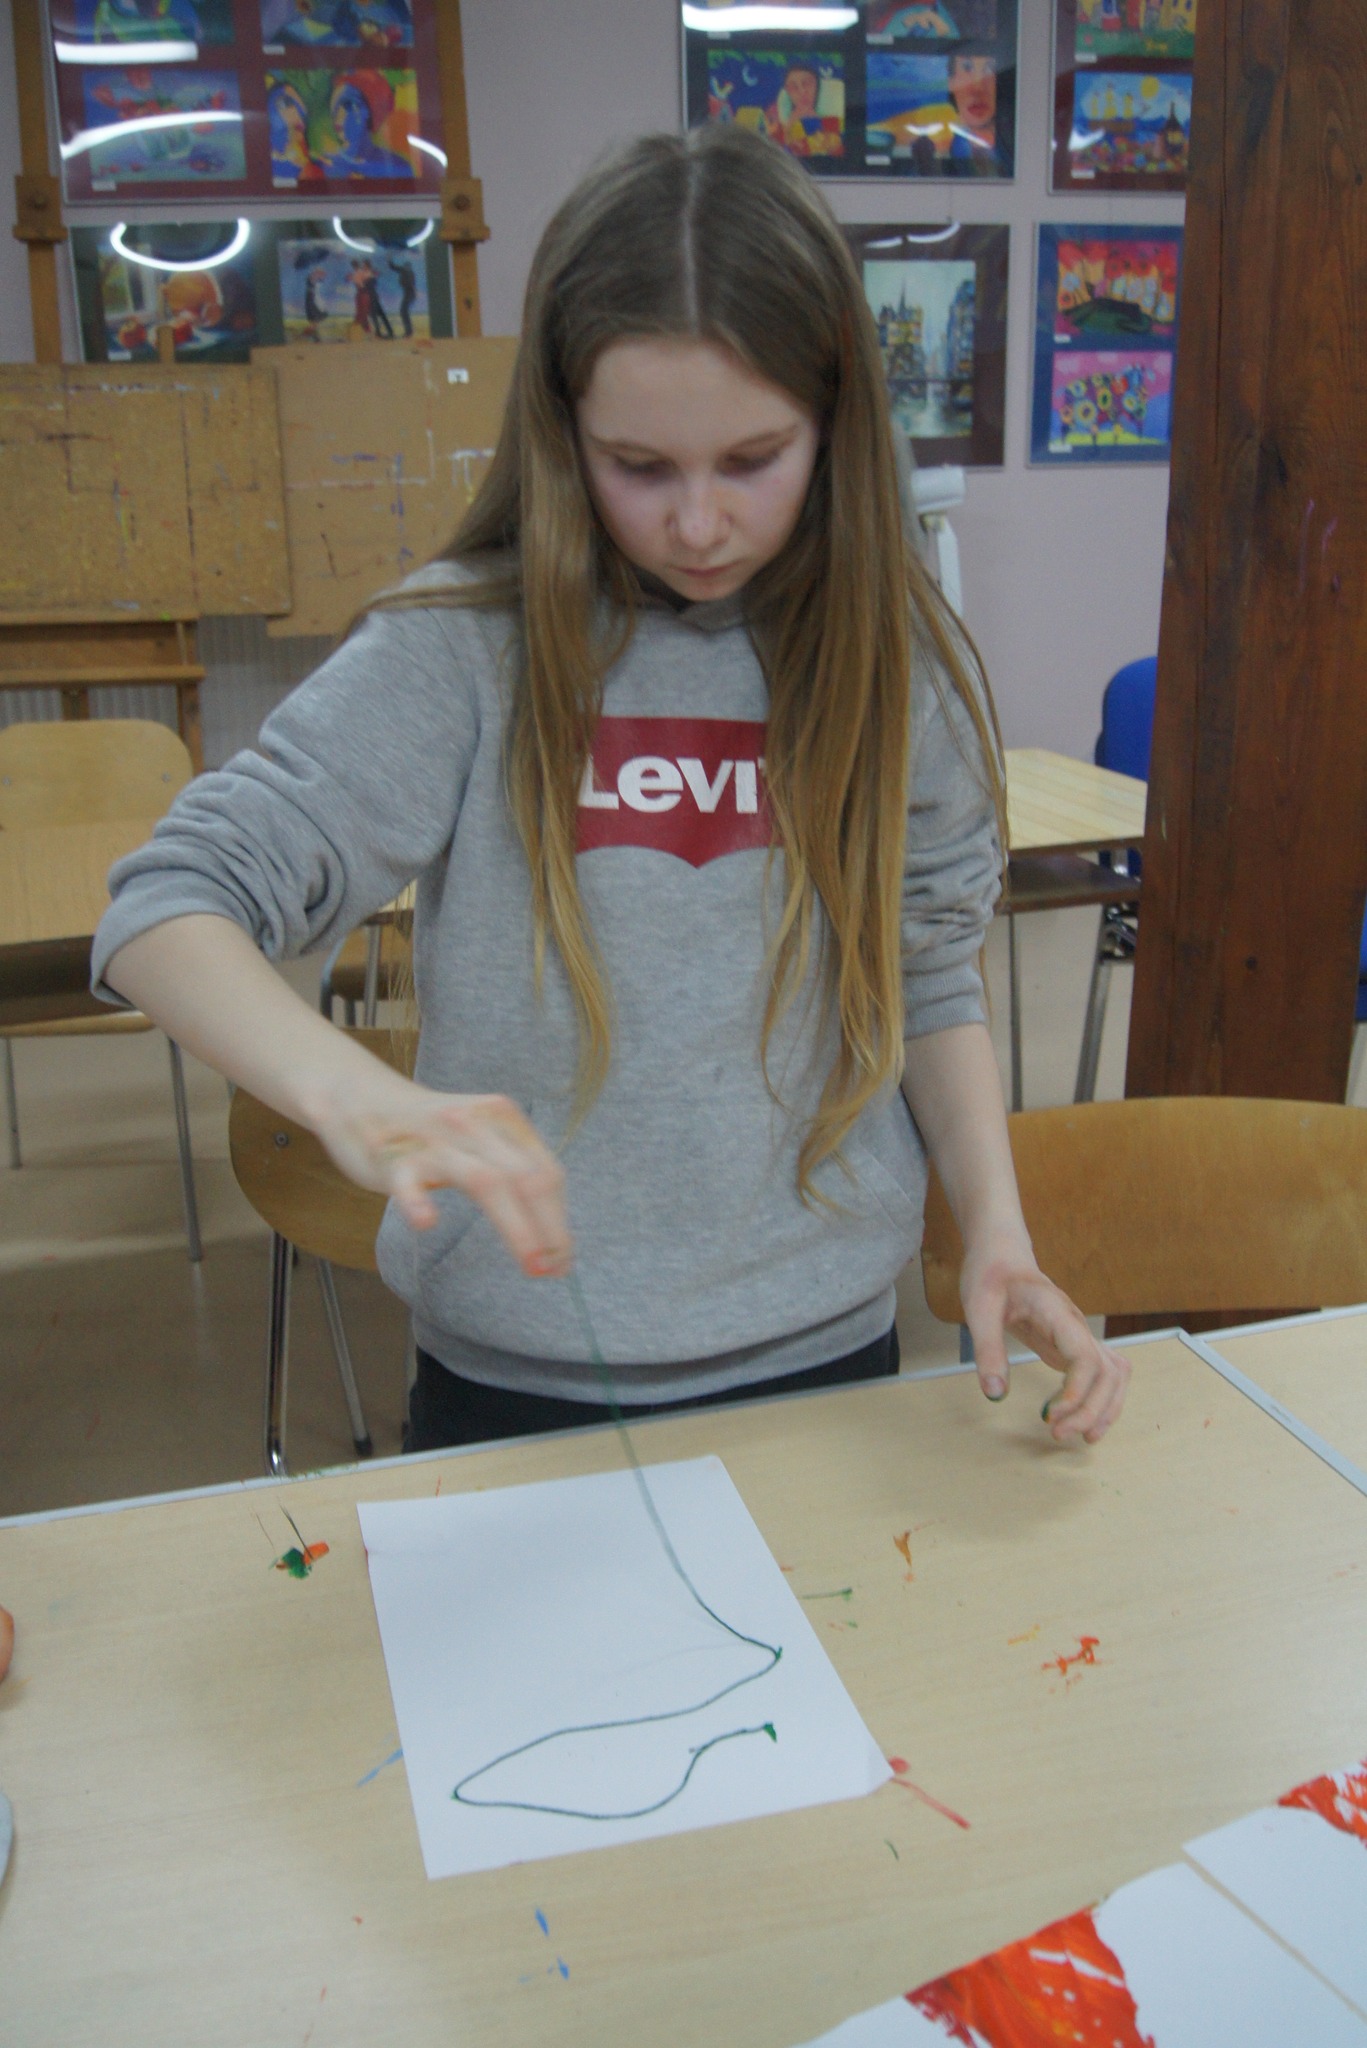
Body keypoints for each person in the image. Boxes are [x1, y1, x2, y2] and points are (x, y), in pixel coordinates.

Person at [94, 126, 1129, 1455]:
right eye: (639, 467)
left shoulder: (890, 659)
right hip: (519, 1385)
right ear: (563, 430)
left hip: (827, 1354)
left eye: (752, 459)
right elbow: (165, 910)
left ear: (836, 427)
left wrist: (996, 1231)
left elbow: (927, 973)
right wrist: (358, 1095)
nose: (696, 524)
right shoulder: (465, 648)